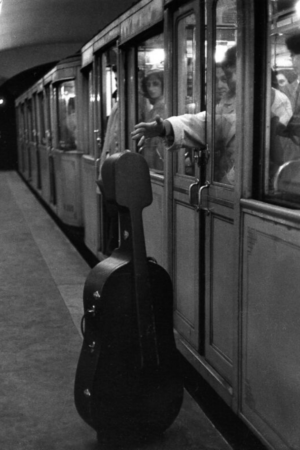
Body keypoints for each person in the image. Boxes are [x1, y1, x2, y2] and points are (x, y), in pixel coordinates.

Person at [132, 46, 237, 184]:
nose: (233, 80)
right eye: (229, 75)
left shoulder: (271, 101)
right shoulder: (227, 103)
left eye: (228, 77)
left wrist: (226, 183)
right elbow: (206, 123)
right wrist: (165, 127)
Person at [139, 69, 165, 172]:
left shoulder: (165, 108)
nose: (151, 88)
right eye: (148, 85)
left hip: (160, 159)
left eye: (155, 84)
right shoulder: (152, 110)